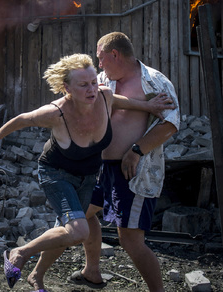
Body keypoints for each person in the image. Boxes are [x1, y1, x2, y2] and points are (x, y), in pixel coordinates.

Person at [0, 53, 172, 292]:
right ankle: (19, 253)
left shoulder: (104, 96)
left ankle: (65, 273)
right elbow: (20, 120)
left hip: (88, 176)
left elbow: (121, 101)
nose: (92, 89)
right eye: (83, 85)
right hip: (57, 174)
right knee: (77, 230)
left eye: (93, 83)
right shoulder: (55, 113)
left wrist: (148, 106)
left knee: (73, 226)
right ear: (67, 87)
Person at [71, 32, 180, 292]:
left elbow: (171, 123)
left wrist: (136, 151)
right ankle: (92, 271)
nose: (99, 65)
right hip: (99, 168)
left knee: (130, 240)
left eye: (101, 59)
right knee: (81, 214)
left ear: (114, 55)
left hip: (133, 171)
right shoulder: (101, 80)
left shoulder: (153, 81)